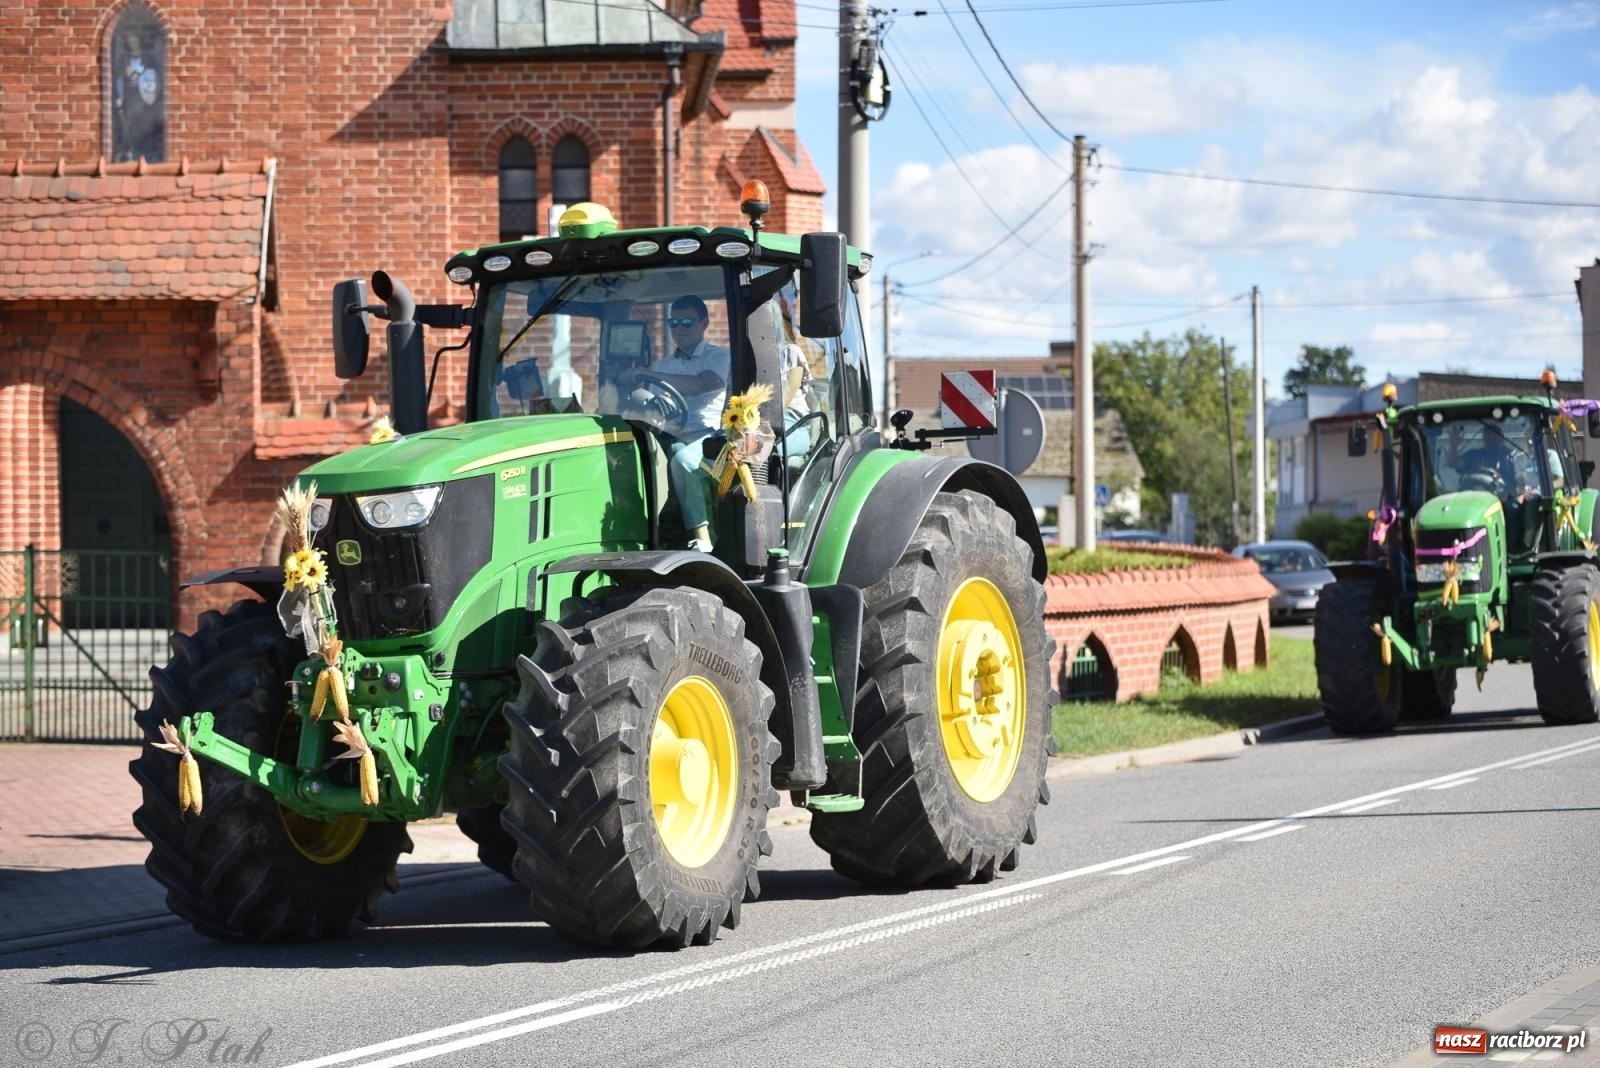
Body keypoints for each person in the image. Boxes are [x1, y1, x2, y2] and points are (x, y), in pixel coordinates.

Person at [620, 295, 729, 552]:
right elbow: (656, 403)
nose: (679, 328)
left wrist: (647, 373)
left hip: (712, 438)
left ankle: (702, 538)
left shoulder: (718, 356)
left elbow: (705, 384)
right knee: (637, 456)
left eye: (687, 322)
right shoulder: (666, 364)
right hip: (671, 434)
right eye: (674, 322)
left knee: (683, 459)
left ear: (704, 323)